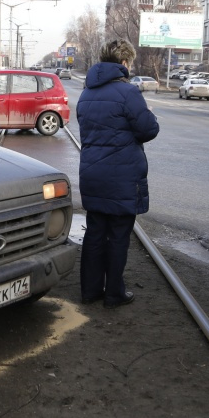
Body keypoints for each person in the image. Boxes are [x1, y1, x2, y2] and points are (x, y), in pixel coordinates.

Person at [78, 39, 160, 309]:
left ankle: (90, 291)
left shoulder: (85, 93)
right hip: (122, 177)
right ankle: (113, 294)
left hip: (92, 174)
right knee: (119, 236)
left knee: (95, 233)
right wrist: (149, 114)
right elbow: (148, 130)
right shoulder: (129, 93)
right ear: (125, 63)